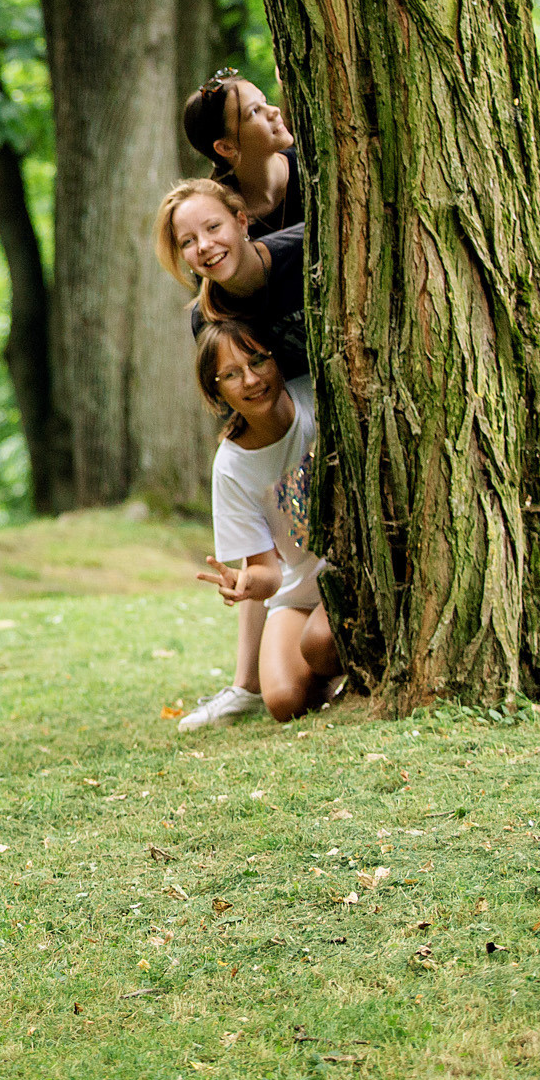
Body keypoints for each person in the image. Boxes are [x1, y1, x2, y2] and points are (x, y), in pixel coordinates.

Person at [190, 321, 339, 723]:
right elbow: (268, 575)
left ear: (277, 361)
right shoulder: (232, 467)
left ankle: (337, 667)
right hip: (299, 591)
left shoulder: (314, 397)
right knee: (284, 701)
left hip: (346, 580)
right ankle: (337, 682)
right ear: (215, 389)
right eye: (232, 374)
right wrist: (245, 584)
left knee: (321, 643)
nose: (252, 380)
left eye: (258, 361)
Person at [152, 178, 307, 379]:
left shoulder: (303, 248)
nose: (204, 246)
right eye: (188, 241)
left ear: (241, 223)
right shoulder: (207, 319)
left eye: (213, 227)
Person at [181, 68, 300, 236]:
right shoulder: (224, 221)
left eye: (264, 101)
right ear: (226, 148)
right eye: (254, 111)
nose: (274, 111)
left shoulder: (310, 165)